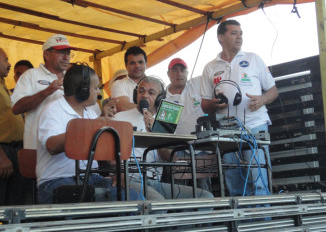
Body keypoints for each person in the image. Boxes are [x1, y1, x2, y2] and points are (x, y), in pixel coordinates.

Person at [36, 63, 140, 204]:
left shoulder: (89, 112)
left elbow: (103, 149)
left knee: (133, 197)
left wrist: (117, 171)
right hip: (57, 181)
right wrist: (91, 127)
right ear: (83, 90)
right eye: (96, 88)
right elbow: (52, 146)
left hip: (90, 178)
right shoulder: (53, 109)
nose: (98, 92)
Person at [200, 19, 278, 197]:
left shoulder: (254, 59)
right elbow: (204, 104)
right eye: (234, 33)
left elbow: (273, 90)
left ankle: (263, 223)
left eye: (241, 33)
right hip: (227, 130)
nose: (239, 37)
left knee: (259, 180)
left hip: (255, 125)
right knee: (234, 182)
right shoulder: (210, 67)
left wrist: (262, 99)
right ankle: (242, 223)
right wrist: (214, 104)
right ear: (220, 37)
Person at [115, 76, 213, 200]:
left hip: (156, 182)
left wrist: (154, 133)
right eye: (141, 91)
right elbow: (112, 156)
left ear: (160, 98)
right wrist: (119, 173)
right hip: (130, 179)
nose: (144, 95)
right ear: (136, 94)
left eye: (151, 93)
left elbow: (169, 157)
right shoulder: (120, 118)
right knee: (158, 202)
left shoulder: (166, 120)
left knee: (205, 196)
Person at [11, 34, 74, 149]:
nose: (66, 57)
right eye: (61, 52)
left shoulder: (71, 79)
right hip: (36, 148)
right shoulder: (31, 75)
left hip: (65, 149)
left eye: (68, 53)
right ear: (46, 54)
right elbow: (16, 108)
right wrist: (48, 90)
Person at [0, 46, 24, 206]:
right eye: (5, 59)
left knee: (13, 205)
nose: (9, 64)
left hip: (12, 152)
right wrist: (1, 156)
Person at [165, 58, 211, 191]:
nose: (179, 73)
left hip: (201, 148)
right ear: (168, 74)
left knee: (203, 190)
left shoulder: (196, 83)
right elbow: (165, 129)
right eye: (175, 70)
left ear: (187, 72)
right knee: (179, 190)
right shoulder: (163, 97)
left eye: (182, 70)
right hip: (177, 150)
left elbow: (213, 73)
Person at [111, 46, 147, 112]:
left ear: (146, 64)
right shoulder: (119, 84)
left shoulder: (157, 84)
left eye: (140, 62)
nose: (137, 66)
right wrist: (151, 108)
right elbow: (123, 107)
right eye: (132, 63)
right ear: (126, 66)